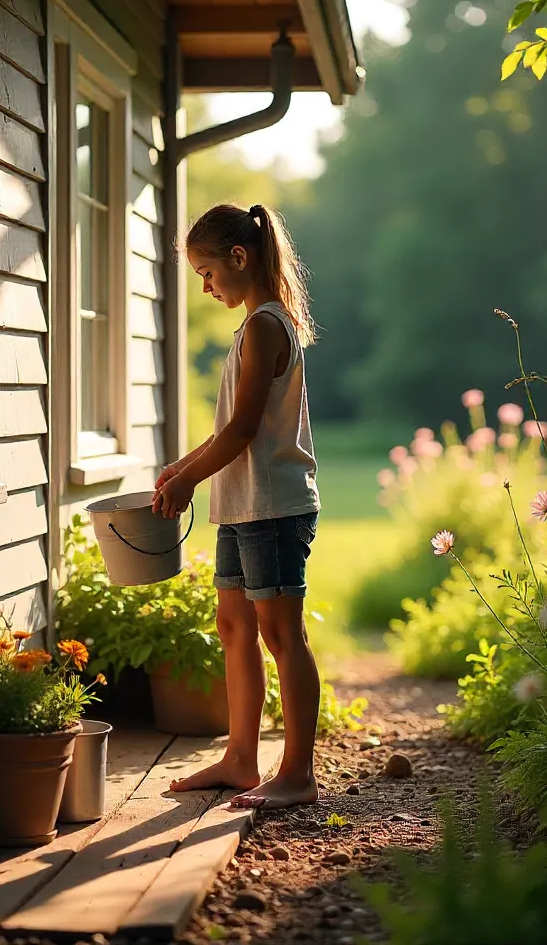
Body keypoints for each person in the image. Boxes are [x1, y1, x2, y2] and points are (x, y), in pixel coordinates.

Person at [152, 203, 322, 810]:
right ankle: (240, 759)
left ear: (239, 258)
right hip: (244, 506)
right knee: (234, 629)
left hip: (274, 508)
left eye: (206, 271)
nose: (205, 285)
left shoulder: (267, 326)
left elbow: (244, 431)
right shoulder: (252, 326)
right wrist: (183, 468)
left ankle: (297, 773)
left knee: (283, 635)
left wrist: (189, 481)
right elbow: (228, 426)